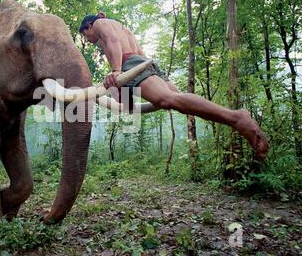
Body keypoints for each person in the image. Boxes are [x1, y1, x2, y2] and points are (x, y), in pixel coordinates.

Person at [79, 12, 269, 160]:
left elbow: (112, 41)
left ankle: (237, 118)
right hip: (144, 63)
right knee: (179, 102)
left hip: (130, 64)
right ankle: (234, 119)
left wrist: (116, 70)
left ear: (88, 26)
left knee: (168, 100)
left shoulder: (99, 23)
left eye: (84, 35)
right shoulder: (123, 28)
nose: (87, 39)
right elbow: (127, 100)